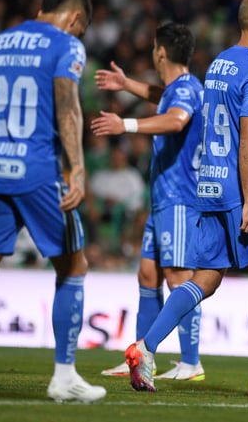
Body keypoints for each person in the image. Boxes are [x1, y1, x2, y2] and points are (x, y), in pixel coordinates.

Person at [0, 0, 105, 403]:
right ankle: (64, 376)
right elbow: (68, 105)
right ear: (74, 20)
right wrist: (78, 168)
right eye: (82, 29)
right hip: (38, 171)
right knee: (73, 268)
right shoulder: (66, 46)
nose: (80, 36)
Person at [124, 0, 248, 399]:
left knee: (206, 278)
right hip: (246, 189)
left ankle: (145, 347)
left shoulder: (218, 64)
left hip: (210, 186)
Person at [92, 23, 206, 381]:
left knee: (178, 277)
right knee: (148, 273)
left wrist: (125, 124)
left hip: (180, 197)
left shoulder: (187, 89)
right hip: (162, 197)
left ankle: (191, 363)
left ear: (160, 52)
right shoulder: (178, 88)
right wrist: (127, 85)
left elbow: (175, 120)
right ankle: (138, 356)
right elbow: (164, 96)